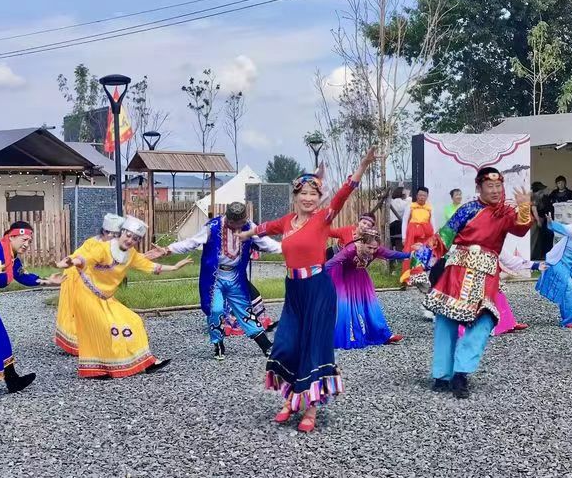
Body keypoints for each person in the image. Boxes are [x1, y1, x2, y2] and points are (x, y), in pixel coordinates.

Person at [238, 148, 376, 433]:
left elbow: (344, 194)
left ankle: (309, 408)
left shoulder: (323, 218)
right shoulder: (288, 222)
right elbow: (265, 227)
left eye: (314, 194)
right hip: (294, 289)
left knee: (313, 345)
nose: (309, 198)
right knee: (287, 343)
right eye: (305, 193)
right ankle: (291, 398)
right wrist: (246, 233)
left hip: (318, 288)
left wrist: (361, 167)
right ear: (296, 195)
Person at [406, 167, 532, 398]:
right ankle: (441, 375)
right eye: (490, 186)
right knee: (446, 320)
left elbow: (521, 229)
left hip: (486, 275)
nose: (495, 191)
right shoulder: (468, 210)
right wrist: (420, 262)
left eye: (498, 186)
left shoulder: (505, 213)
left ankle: (461, 372)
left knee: (485, 320)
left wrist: (524, 207)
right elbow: (444, 237)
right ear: (479, 188)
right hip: (457, 271)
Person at [56, 216, 193, 378]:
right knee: (102, 327)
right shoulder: (100, 247)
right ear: (119, 233)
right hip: (86, 293)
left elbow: (147, 265)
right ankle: (94, 370)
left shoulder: (130, 254)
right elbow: (84, 259)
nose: (130, 240)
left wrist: (175, 267)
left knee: (133, 320)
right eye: (128, 235)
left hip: (106, 297)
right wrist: (70, 261)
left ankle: (147, 362)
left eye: (135, 239)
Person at [145, 202, 281, 360]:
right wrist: (168, 249)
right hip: (215, 277)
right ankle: (218, 342)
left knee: (245, 311)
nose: (237, 227)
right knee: (215, 310)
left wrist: (291, 248)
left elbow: (267, 244)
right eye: (233, 224)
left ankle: (266, 346)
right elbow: (192, 242)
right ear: (228, 219)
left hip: (236, 277)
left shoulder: (249, 227)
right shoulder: (214, 226)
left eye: (240, 224)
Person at [0, 222, 64, 403]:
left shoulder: (14, 260)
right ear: (12, 236)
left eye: (30, 241)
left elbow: (25, 277)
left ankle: (9, 381)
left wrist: (49, 281)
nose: (27, 243)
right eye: (24, 239)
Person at [325, 228, 408, 349]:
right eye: (369, 248)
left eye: (375, 248)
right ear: (362, 243)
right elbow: (332, 262)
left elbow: (393, 254)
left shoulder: (376, 250)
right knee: (344, 308)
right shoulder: (351, 249)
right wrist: (315, 273)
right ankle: (340, 337)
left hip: (361, 278)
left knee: (371, 307)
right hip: (343, 277)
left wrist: (411, 254)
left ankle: (383, 335)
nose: (372, 251)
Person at [55, 213, 124, 355]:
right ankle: (79, 342)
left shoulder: (116, 246)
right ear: (104, 231)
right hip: (78, 277)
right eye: (112, 234)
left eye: (117, 235)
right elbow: (77, 257)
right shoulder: (92, 243)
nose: (115, 238)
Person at [531, 181, 555, 260]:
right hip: (533, 221)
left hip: (537, 220)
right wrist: (538, 220)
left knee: (537, 239)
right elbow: (534, 209)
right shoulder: (535, 196)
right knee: (533, 238)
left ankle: (535, 255)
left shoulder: (540, 197)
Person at [388, 187, 408, 272]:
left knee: (390, 248)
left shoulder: (390, 202)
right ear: (402, 194)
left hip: (390, 226)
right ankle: (400, 267)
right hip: (400, 225)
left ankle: (391, 268)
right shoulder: (405, 203)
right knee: (400, 248)